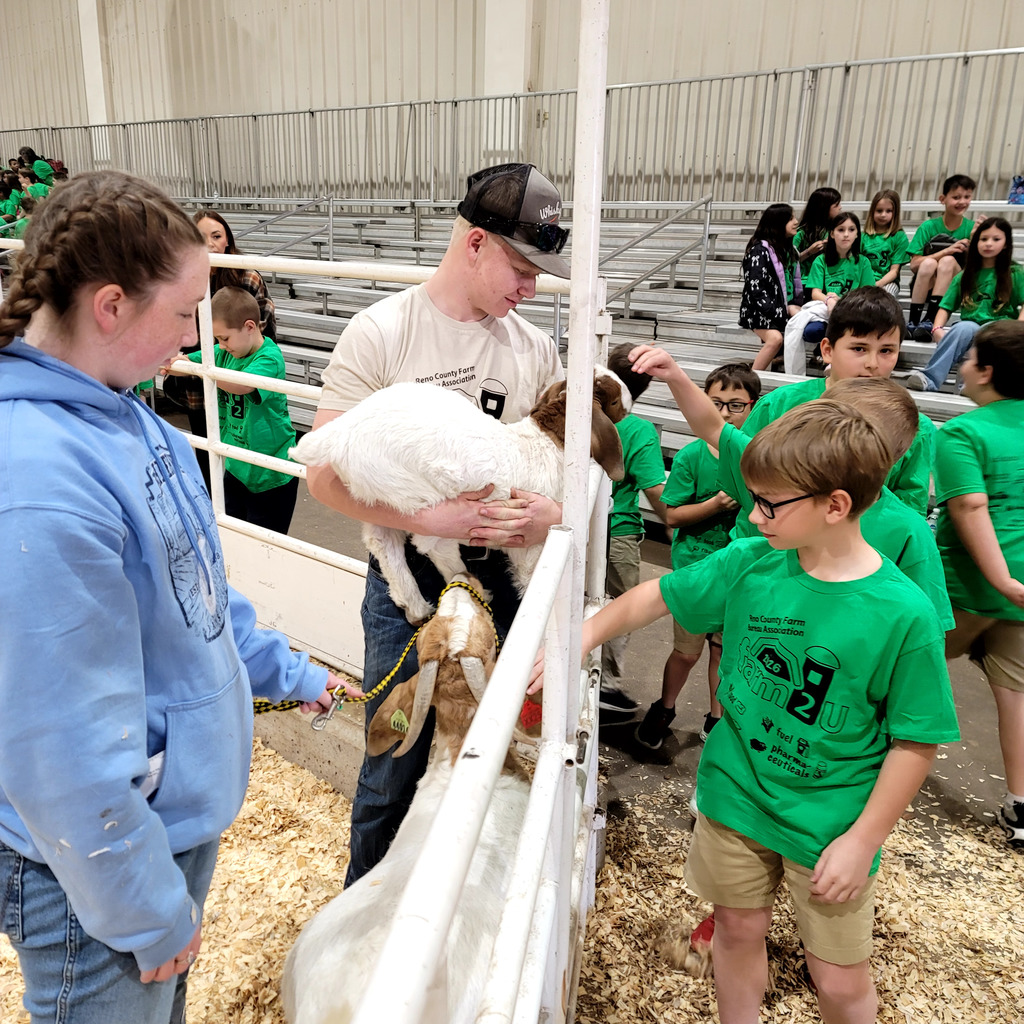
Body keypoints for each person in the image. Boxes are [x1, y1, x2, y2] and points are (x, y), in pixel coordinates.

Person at [0, 170, 362, 1024]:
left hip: (159, 827)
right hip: (91, 875)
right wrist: (147, 914)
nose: (193, 337)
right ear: (111, 306)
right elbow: (59, 747)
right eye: (182, 314)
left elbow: (197, 602)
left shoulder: (134, 421)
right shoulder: (41, 481)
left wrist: (291, 672)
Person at [534, 390, 959, 1024]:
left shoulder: (904, 614)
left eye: (769, 504)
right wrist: (574, 643)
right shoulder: (754, 560)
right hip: (737, 794)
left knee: (838, 980)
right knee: (736, 929)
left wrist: (862, 839)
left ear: (836, 506)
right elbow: (657, 598)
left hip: (830, 821)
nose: (755, 517)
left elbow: (916, 740)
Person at [306, 162, 569, 886]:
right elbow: (324, 472)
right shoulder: (382, 333)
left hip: (499, 573)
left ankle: (466, 913)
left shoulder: (533, 347)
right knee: (396, 751)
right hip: (409, 581)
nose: (531, 288)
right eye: (521, 266)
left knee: (500, 738)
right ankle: (364, 920)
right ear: (476, 243)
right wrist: (434, 516)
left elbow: (548, 459)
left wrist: (550, 513)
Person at [630, 345, 954, 633]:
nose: (758, 516)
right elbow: (714, 428)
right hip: (755, 648)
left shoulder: (908, 531)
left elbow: (923, 629)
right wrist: (675, 376)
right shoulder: (779, 479)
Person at [635, 362, 760, 751]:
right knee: (687, 652)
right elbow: (671, 515)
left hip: (741, 573)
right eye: (716, 402)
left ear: (754, 405)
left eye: (736, 405)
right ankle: (665, 708)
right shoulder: (692, 456)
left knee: (725, 652)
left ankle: (716, 718)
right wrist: (716, 503)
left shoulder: (757, 455)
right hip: (696, 567)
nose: (724, 413)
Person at [932, 321, 1024, 851]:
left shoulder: (964, 433)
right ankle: (1021, 804)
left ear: (986, 372)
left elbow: (969, 506)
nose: (962, 366)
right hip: (1021, 593)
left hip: (967, 586)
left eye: (967, 358)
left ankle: (856, 769)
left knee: (898, 670)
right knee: (1015, 698)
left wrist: (1000, 579)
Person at [760, 287, 935, 516]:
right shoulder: (778, 406)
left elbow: (908, 510)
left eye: (886, 351)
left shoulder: (915, 428)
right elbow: (747, 485)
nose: (872, 363)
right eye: (859, 348)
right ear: (828, 350)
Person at [165, 286, 299, 533]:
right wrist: (175, 363)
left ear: (250, 327)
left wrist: (201, 371)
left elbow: (241, 385)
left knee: (266, 548)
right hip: (236, 468)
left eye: (224, 338)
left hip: (271, 476)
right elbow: (196, 359)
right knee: (232, 536)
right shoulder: (225, 352)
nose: (221, 345)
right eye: (216, 339)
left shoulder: (270, 358)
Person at [599, 343, 670, 723]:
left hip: (583, 526)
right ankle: (605, 686)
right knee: (622, 608)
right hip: (619, 531)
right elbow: (656, 491)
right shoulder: (637, 430)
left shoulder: (581, 416)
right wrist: (676, 526)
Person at [906, 217, 1024, 392]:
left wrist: (1018, 328)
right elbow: (945, 307)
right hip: (971, 324)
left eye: (996, 239)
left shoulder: (1014, 273)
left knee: (989, 332)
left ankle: (972, 384)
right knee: (962, 328)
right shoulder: (965, 275)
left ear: (1006, 244)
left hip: (999, 325)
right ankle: (929, 379)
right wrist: (937, 328)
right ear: (976, 242)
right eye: (983, 239)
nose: (989, 244)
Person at [784, 213, 874, 373]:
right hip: (826, 310)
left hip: (853, 310)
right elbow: (815, 293)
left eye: (851, 229)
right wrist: (830, 300)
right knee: (811, 331)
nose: (846, 234)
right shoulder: (821, 261)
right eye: (841, 229)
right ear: (832, 234)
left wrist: (841, 301)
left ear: (857, 234)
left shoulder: (863, 262)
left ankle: (835, 362)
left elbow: (867, 293)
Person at [906, 173, 976, 334]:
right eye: (956, 197)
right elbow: (915, 265)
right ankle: (913, 321)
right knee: (929, 263)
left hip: (956, 287)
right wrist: (947, 250)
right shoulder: (928, 227)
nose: (962, 202)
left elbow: (976, 268)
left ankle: (930, 318)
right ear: (942, 199)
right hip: (925, 283)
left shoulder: (971, 228)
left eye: (967, 197)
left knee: (948, 262)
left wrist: (974, 242)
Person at [738, 203, 802, 370]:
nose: (796, 221)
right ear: (778, 223)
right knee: (775, 339)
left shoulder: (788, 249)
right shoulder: (759, 250)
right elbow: (756, 289)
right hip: (758, 310)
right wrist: (779, 312)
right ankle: (751, 379)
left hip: (780, 308)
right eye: (791, 218)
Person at [860, 189, 909, 296]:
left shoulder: (899, 237)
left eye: (888, 211)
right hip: (864, 281)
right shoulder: (863, 237)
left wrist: (877, 285)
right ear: (872, 211)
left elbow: (894, 271)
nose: (883, 215)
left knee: (882, 300)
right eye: (879, 210)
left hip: (888, 282)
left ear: (895, 213)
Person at [792, 187, 842, 286]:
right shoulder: (801, 233)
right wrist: (809, 252)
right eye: (836, 205)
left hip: (829, 280)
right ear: (824, 208)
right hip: (805, 281)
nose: (840, 207)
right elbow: (788, 262)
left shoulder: (836, 230)